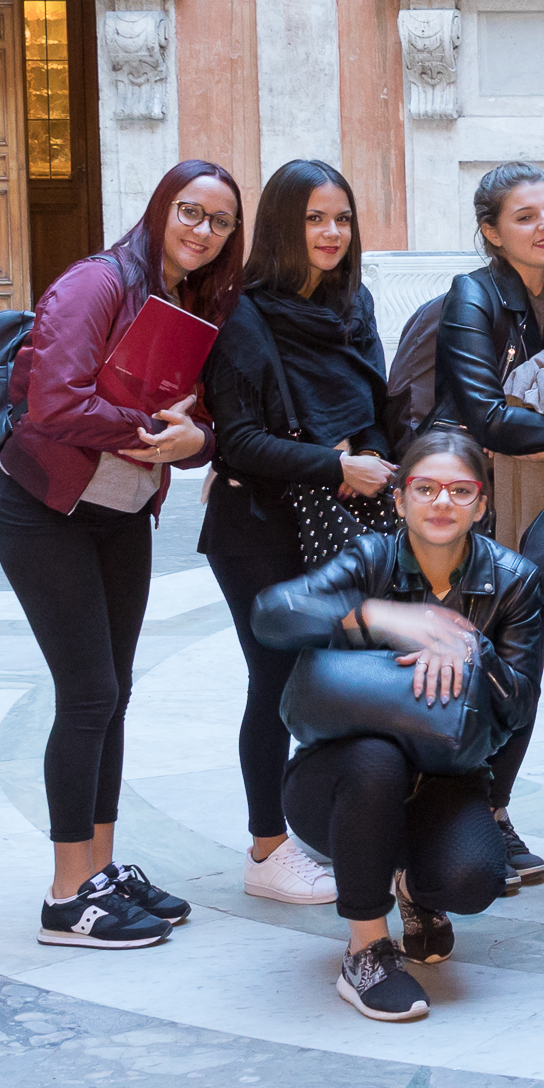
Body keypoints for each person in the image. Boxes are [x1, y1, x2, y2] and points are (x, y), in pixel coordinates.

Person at [0, 157, 243, 949]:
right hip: (46, 512)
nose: (204, 230)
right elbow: (54, 401)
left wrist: (197, 442)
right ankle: (68, 897)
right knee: (88, 695)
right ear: (161, 207)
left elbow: (196, 426)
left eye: (221, 221)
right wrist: (152, 432)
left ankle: (98, 868)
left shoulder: (192, 300)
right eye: (191, 211)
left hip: (122, 514)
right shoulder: (98, 283)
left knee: (115, 693)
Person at [248, 427, 544, 1022]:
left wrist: (472, 650)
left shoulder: (515, 580)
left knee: (471, 881)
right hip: (337, 783)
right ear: (399, 499)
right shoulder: (370, 558)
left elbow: (518, 710)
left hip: (445, 778)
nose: (442, 502)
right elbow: (271, 616)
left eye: (461, 491)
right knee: (375, 758)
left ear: (481, 505)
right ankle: (366, 950)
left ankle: (411, 883)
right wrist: (379, 616)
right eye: (425, 488)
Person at [198, 159, 394, 911]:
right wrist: (335, 466)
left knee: (343, 677)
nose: (332, 232)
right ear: (284, 225)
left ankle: (340, 825)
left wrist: (371, 460)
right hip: (256, 527)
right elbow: (239, 441)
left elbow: (375, 404)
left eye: (342, 218)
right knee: (275, 680)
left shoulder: (353, 303)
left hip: (342, 518)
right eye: (314, 219)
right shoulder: (243, 314)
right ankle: (267, 848)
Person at [431, 159, 544, 892]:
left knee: (524, 667)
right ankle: (447, 815)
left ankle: (493, 810)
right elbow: (483, 413)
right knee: (466, 663)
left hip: (542, 494)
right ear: (491, 232)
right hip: (472, 500)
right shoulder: (475, 293)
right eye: (526, 217)